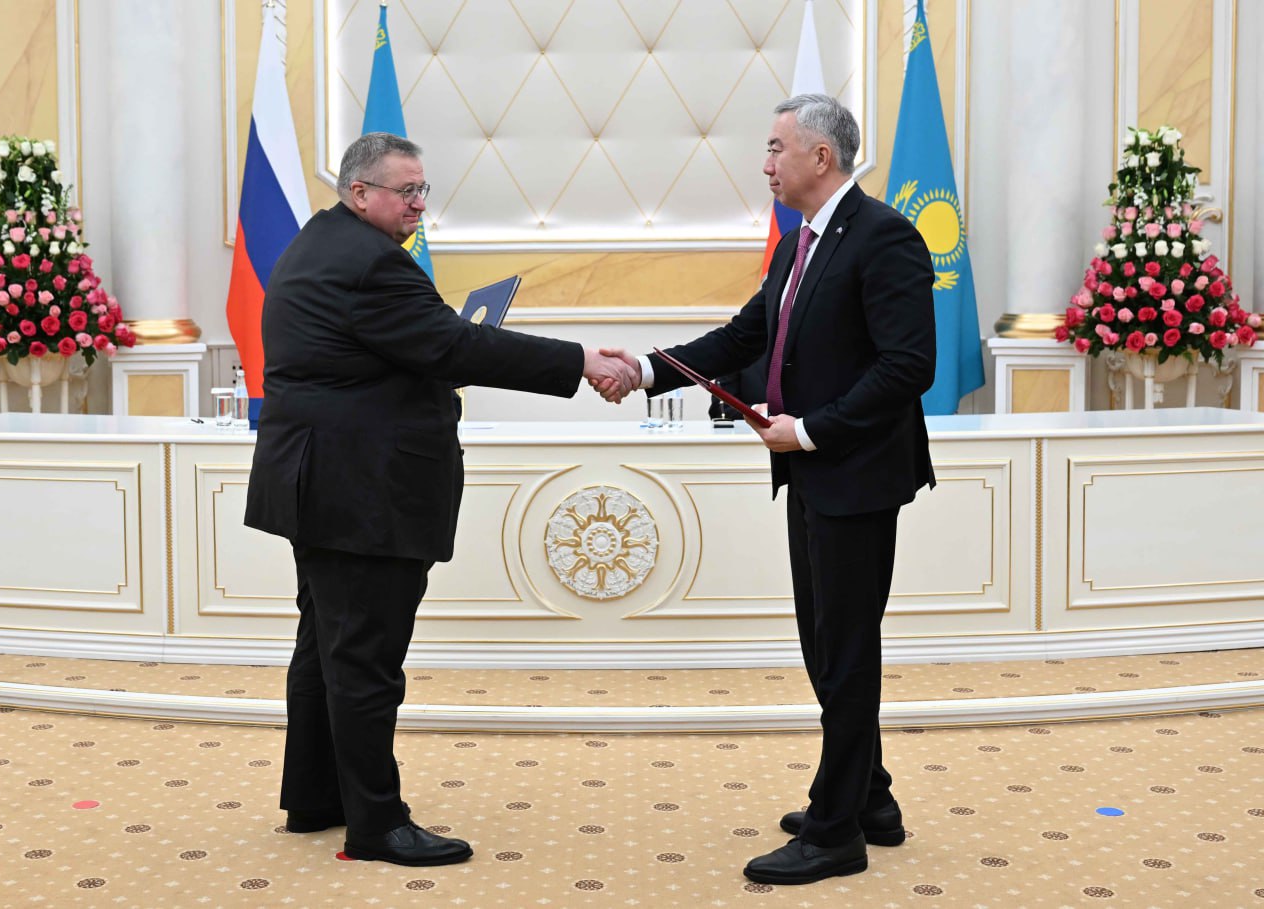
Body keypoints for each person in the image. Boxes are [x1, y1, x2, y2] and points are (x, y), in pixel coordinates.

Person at [244, 132, 634, 868]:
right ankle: (376, 823)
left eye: (423, 190)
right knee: (364, 661)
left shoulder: (320, 242)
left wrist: (451, 339)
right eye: (406, 191)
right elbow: (457, 349)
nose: (419, 204)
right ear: (360, 192)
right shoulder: (373, 264)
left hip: (320, 484)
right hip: (361, 492)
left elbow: (414, 347)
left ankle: (318, 796)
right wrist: (580, 359)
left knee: (325, 650)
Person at [597, 93, 936, 886]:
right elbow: (744, 336)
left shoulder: (885, 236)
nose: (765, 164)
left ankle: (835, 831)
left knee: (845, 651)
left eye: (777, 148)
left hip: (853, 473)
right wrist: (645, 371)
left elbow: (908, 365)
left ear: (822, 156)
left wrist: (811, 429)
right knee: (826, 643)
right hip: (811, 472)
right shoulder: (800, 244)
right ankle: (871, 799)